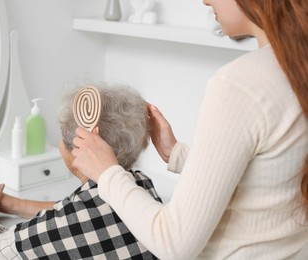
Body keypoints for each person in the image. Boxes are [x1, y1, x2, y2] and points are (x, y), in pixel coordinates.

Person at [71, 0, 308, 259]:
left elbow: (173, 243)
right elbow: (271, 180)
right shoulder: (297, 67)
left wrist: (107, 173)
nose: (205, 1)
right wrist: (177, 154)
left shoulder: (238, 84)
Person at [0, 83, 162, 259]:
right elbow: (79, 210)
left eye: (63, 136)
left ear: (83, 147)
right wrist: (14, 205)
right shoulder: (141, 185)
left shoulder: (67, 226)